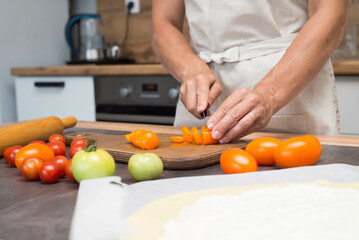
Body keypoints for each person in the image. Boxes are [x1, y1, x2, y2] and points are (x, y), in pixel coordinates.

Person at [152, 0, 347, 143]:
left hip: (291, 88)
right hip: (202, 103)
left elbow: (331, 14)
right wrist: (190, 69)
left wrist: (270, 93)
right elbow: (163, 24)